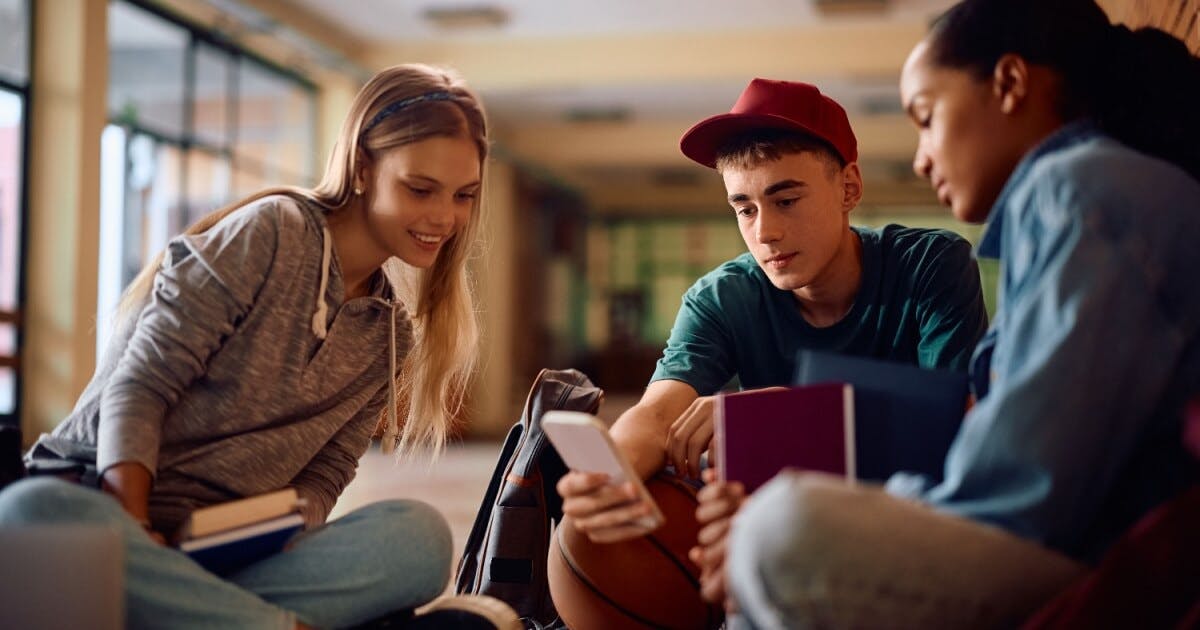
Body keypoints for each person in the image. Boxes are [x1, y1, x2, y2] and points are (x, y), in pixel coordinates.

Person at [692, 1, 1200, 627]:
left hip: (1099, 552)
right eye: (743, 209)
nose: (920, 158)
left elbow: (1022, 484)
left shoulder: (1080, 189)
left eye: (926, 118)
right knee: (772, 537)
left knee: (783, 527)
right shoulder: (1084, 194)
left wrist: (823, 511)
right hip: (1067, 534)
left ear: (1010, 85)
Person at [0, 64, 508, 629]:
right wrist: (138, 526)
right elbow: (139, 387)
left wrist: (276, 529)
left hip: (214, 557)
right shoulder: (274, 230)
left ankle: (188, 612)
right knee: (29, 514)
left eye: (464, 196)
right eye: (420, 189)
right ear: (363, 167)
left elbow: (324, 477)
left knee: (421, 540)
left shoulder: (389, 335)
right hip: (108, 511)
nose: (445, 217)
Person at [558, 78, 988, 543]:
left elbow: (959, 420)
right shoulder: (722, 296)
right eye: (744, 209)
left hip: (911, 520)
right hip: (786, 528)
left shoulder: (930, 264)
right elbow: (658, 414)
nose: (765, 232)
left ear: (848, 188)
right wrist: (607, 477)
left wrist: (789, 413)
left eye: (786, 201)